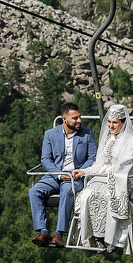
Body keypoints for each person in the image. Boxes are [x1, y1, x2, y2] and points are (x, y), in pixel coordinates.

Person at [73, 104, 133, 257]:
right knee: (88, 195)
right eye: (109, 122)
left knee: (109, 197)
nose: (111, 126)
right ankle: (97, 237)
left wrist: (112, 175)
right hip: (102, 175)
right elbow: (99, 164)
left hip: (123, 177)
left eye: (115, 123)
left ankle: (111, 239)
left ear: (123, 123)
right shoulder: (107, 139)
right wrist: (85, 171)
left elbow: (127, 165)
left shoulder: (131, 140)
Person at [29, 102, 97, 247]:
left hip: (75, 176)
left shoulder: (87, 134)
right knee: (34, 191)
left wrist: (79, 172)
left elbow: (92, 157)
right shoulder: (50, 134)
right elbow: (45, 159)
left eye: (79, 117)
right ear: (64, 119)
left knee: (66, 191)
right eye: (75, 118)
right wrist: (59, 175)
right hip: (56, 174)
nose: (79, 121)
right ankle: (44, 231)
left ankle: (59, 234)